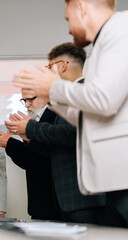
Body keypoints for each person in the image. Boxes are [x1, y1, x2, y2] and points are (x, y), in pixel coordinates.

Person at [13, 0, 128, 227]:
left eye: (68, 19)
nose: (68, 28)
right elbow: (87, 121)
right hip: (109, 184)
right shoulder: (98, 54)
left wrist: (52, 87)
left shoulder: (122, 30)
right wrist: (51, 96)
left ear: (81, 6)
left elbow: (104, 100)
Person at [8, 42, 106, 224]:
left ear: (63, 65)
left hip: (82, 196)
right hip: (68, 198)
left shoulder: (82, 92)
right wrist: (27, 135)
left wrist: (30, 128)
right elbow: (54, 149)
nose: (47, 72)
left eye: (49, 67)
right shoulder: (69, 96)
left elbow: (71, 132)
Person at [0, 93, 61, 220]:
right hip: (39, 204)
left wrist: (11, 143)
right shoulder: (36, 119)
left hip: (54, 203)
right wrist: (9, 143)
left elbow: (45, 158)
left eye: (31, 99)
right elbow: (29, 162)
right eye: (24, 100)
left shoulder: (56, 116)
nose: (26, 105)